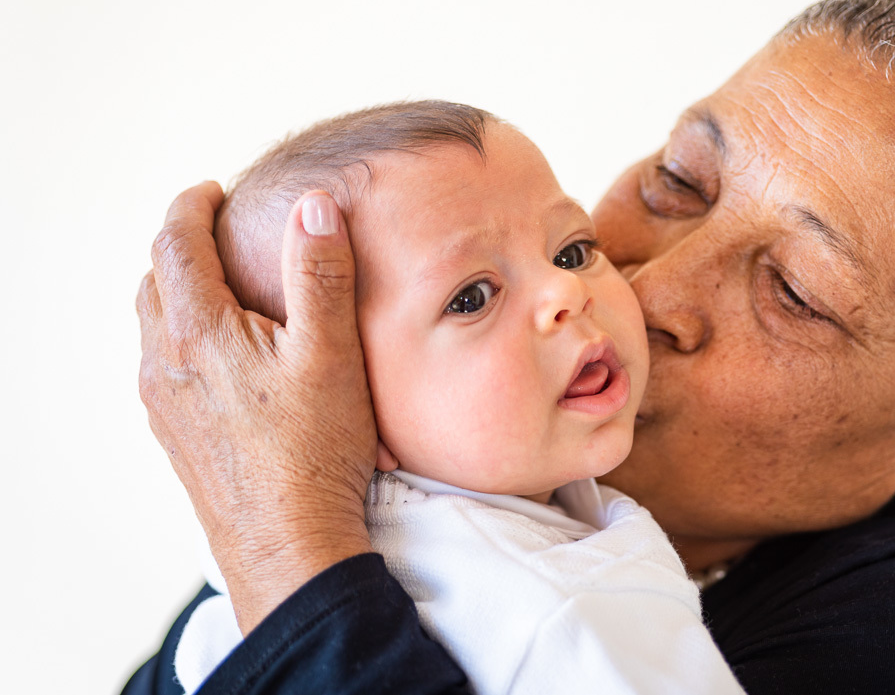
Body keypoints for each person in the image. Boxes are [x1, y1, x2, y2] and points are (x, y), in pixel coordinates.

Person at [128, 0, 895, 694]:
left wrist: (285, 549)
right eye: (680, 183)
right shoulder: (454, 490)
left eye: (792, 290)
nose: (646, 288)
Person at [164, 101, 746, 695]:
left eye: (570, 252)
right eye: (472, 298)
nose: (565, 290)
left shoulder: (247, 571)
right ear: (339, 412)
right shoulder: (575, 614)